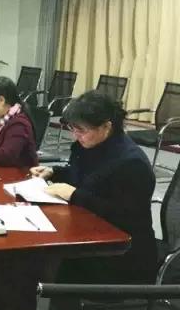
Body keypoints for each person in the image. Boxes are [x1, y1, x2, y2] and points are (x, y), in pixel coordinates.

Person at [31, 90, 157, 284]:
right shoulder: (90, 146)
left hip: (121, 252)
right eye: (73, 128)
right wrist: (53, 172)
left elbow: (121, 215)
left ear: (106, 126)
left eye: (81, 130)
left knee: (44, 259)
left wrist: (74, 195)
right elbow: (86, 176)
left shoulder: (132, 163)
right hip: (90, 230)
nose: (76, 135)